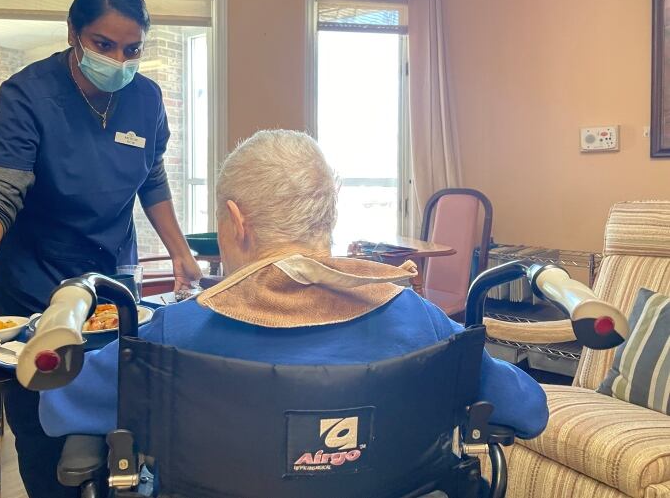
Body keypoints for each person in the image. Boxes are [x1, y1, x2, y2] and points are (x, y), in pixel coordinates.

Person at [39, 130, 549, 450]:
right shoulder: (420, 319)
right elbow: (527, 409)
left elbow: (58, 408)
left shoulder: (173, 332)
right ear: (329, 212)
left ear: (236, 222)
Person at [0, 0, 202, 498]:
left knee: (116, 421)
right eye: (104, 44)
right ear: (73, 32)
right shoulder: (28, 95)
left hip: (111, 286)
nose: (118, 60)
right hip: (35, 283)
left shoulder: (145, 98)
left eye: (132, 48)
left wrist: (181, 254)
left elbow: (152, 175)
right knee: (43, 436)